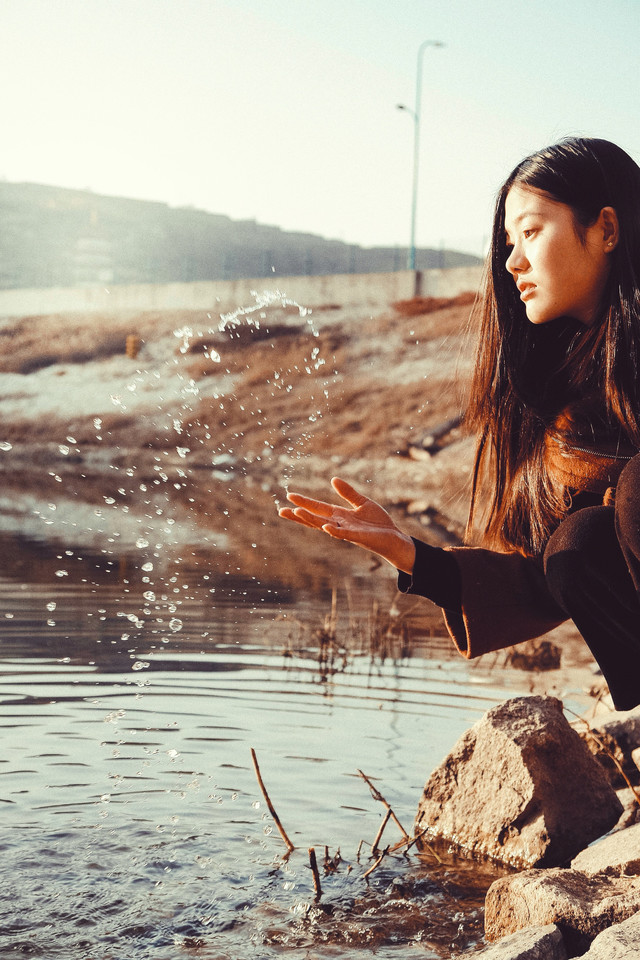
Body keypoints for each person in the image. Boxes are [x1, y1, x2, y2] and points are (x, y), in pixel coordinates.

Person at [279, 137, 640, 712]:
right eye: (508, 243)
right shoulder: (567, 404)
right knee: (579, 541)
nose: (512, 261)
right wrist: (414, 556)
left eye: (532, 232)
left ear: (606, 231)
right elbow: (552, 574)